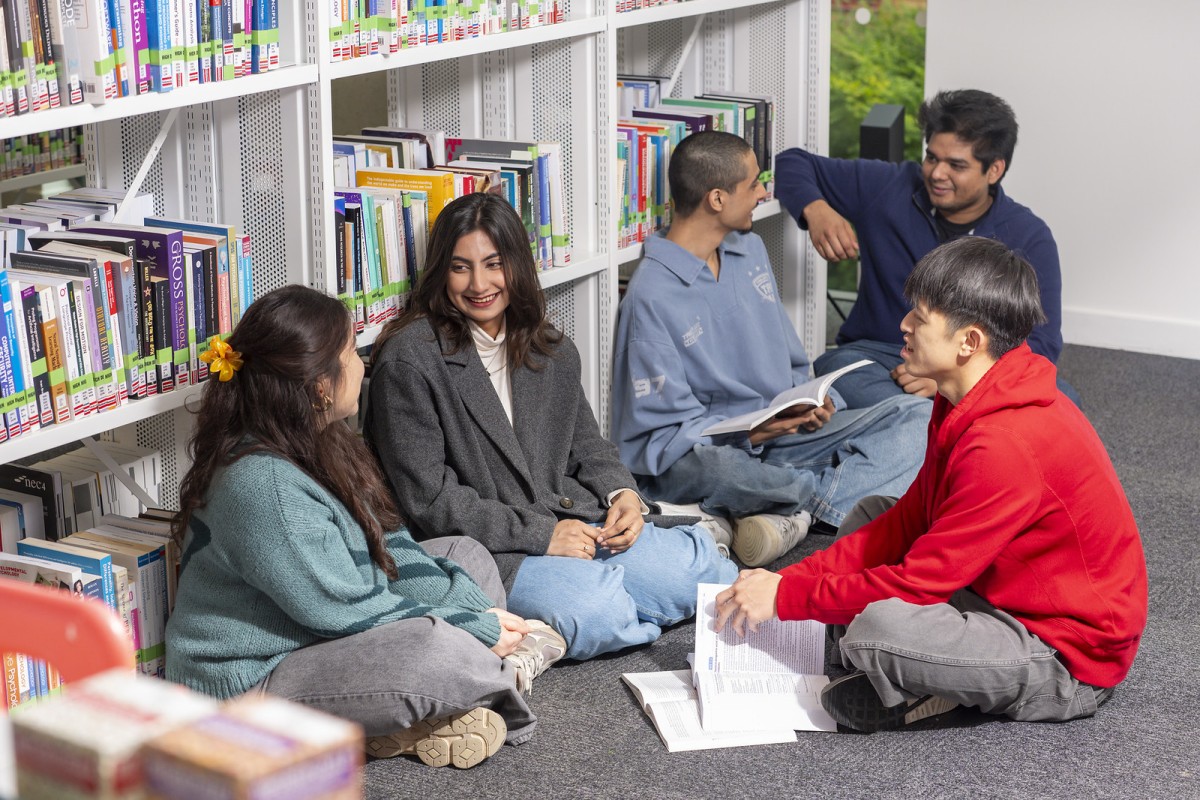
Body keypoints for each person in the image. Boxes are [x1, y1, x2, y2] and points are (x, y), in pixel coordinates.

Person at [713, 237, 1147, 733]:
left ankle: (912, 673)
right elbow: (908, 520)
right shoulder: (965, 393)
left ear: (969, 342)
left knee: (877, 628)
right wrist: (790, 581)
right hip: (997, 588)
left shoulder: (1004, 444)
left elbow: (921, 581)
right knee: (872, 513)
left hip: (1062, 652)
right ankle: (912, 674)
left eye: (921, 318)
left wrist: (787, 599)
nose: (905, 325)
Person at [165, 285, 565, 770]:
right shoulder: (262, 484)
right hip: (253, 686)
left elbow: (388, 542)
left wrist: (465, 611)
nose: (362, 363)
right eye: (352, 352)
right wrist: (473, 625)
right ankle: (492, 673)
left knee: (466, 555)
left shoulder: (322, 438)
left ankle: (434, 702)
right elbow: (341, 609)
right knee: (432, 648)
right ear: (319, 386)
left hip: (319, 634)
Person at [363, 193, 738, 662]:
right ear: (442, 272)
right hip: (492, 546)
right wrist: (542, 536)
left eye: (493, 264)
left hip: (574, 522)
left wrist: (622, 496)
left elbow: (588, 446)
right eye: (460, 268)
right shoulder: (411, 359)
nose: (479, 283)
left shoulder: (552, 348)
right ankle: (576, 617)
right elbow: (432, 502)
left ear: (516, 265)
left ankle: (560, 627)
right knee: (596, 608)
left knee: (696, 572)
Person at [612, 130, 929, 568]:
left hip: (783, 434)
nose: (764, 193)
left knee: (919, 416)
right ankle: (805, 502)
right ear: (717, 199)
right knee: (723, 473)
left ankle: (773, 507)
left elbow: (789, 353)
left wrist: (814, 399)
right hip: (711, 453)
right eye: (755, 184)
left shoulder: (751, 248)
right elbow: (659, 437)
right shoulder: (650, 296)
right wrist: (755, 431)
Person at [775, 88, 1075, 407]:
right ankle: (935, 427)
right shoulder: (889, 186)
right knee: (845, 375)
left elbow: (1041, 345)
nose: (936, 173)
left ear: (994, 170)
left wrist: (952, 381)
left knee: (1063, 399)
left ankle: (920, 427)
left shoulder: (1029, 236)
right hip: (879, 355)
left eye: (956, 165)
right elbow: (789, 163)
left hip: (973, 370)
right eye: (932, 157)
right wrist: (816, 209)